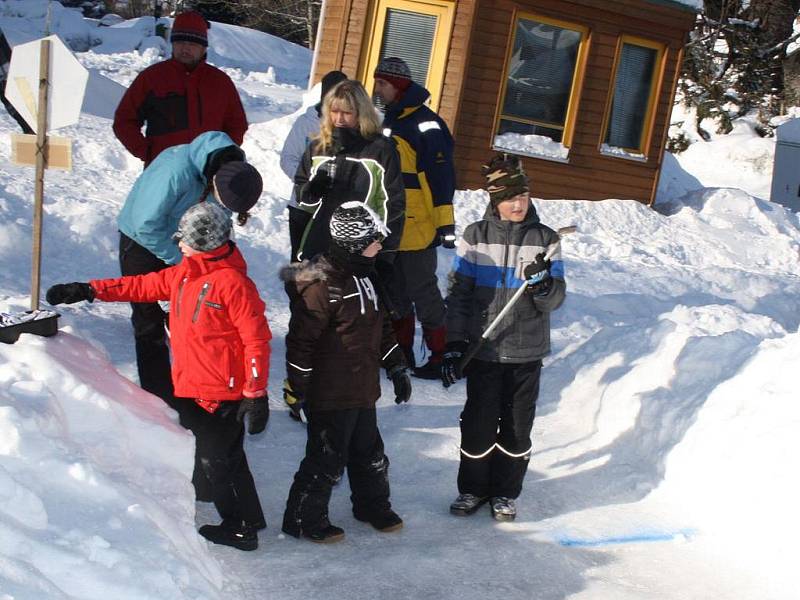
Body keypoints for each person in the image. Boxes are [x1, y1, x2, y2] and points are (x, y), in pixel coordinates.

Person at [46, 201, 271, 551]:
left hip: (223, 391)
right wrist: (89, 289)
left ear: (205, 242)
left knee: (217, 461)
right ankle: (250, 516)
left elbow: (257, 340)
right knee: (229, 455)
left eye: (184, 238)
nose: (178, 242)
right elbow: (139, 287)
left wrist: (256, 394)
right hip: (193, 383)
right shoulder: (185, 273)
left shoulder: (233, 284)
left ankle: (239, 528)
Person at [439, 153, 566, 522]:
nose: (518, 204)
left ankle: (505, 494)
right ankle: (473, 489)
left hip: (526, 353)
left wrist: (542, 285)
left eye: (523, 197)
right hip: (484, 349)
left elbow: (555, 300)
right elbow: (459, 294)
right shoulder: (475, 237)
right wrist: (454, 344)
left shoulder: (546, 240)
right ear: (495, 200)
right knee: (478, 424)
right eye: (511, 198)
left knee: (516, 427)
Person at [280, 201, 412, 543]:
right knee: (326, 458)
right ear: (354, 244)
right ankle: (302, 518)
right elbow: (300, 342)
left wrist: (396, 365)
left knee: (370, 455)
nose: (380, 245)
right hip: (330, 393)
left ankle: (371, 506)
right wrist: (297, 387)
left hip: (362, 387)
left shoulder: (367, 277)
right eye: (373, 240)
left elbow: (380, 329)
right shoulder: (323, 286)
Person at [372, 57, 456, 379]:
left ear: (398, 85)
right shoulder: (389, 119)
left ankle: (440, 354)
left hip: (419, 226)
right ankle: (402, 353)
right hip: (391, 225)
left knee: (424, 291)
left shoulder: (426, 124)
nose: (377, 89)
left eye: (382, 83)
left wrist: (444, 224)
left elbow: (442, 178)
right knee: (396, 294)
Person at [113, 10, 248, 166]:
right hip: (163, 171)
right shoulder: (151, 78)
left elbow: (236, 124)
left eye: (192, 44)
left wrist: (224, 155)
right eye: (180, 42)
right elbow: (125, 120)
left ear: (203, 48)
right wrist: (147, 152)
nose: (185, 49)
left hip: (207, 172)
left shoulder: (221, 82)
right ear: (173, 44)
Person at [280, 70, 347, 260]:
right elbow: (287, 158)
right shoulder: (306, 123)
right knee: (300, 264)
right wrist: (308, 182)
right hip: (302, 206)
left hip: (334, 210)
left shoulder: (350, 126)